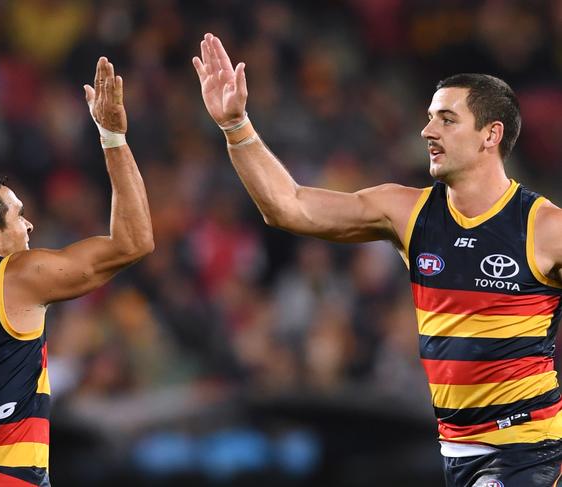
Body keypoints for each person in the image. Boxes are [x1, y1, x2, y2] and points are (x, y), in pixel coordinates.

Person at [193, 32, 562, 487]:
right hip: (457, 449)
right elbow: (288, 206)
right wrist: (235, 126)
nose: (428, 132)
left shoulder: (544, 228)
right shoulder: (407, 212)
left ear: (491, 134)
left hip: (526, 448)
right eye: (429, 119)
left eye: (447, 120)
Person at [0, 56, 153, 486]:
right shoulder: (18, 274)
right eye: (18, 215)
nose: (28, 225)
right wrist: (113, 136)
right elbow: (133, 243)